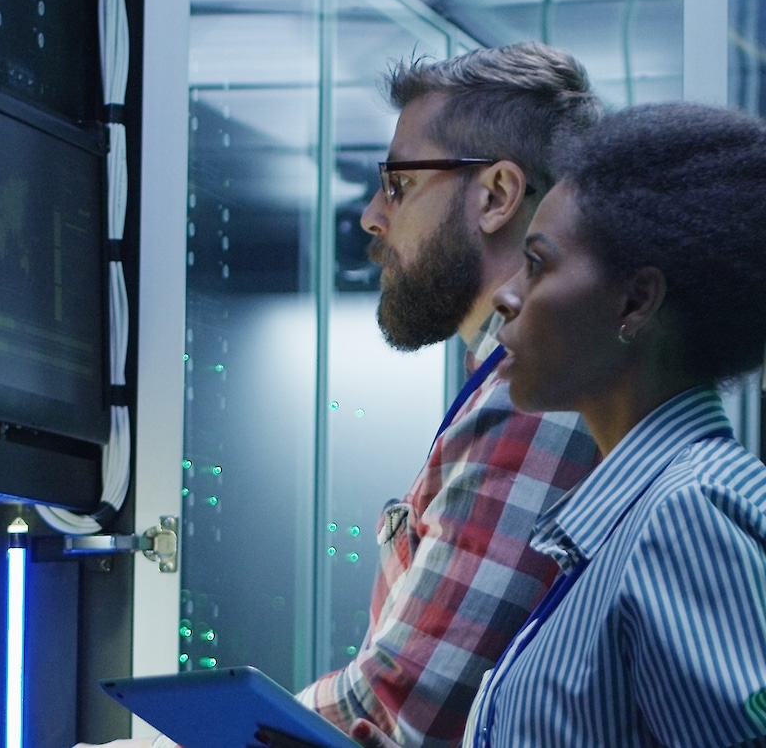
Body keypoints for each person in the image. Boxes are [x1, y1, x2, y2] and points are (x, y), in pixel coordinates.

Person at [78, 42, 603, 748]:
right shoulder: (513, 391)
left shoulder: (533, 400)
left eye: (398, 183)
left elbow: (394, 710)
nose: (371, 218)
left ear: (498, 196)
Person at [354, 100, 766, 747]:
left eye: (538, 265)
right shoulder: (623, 521)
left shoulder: (686, 515)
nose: (508, 295)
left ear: (634, 301)